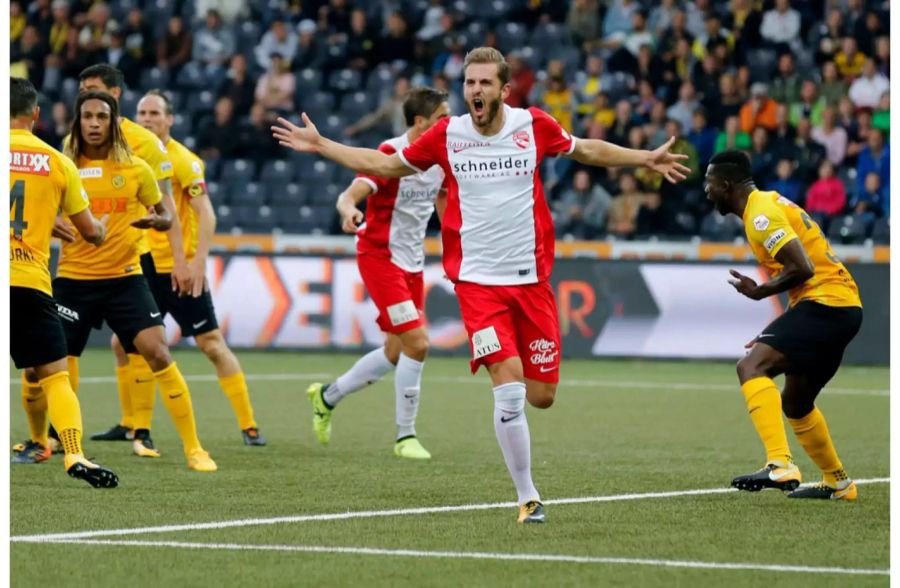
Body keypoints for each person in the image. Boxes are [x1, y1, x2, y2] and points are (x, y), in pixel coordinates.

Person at [272, 47, 690, 523]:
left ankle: (339, 397)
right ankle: (527, 496)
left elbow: (587, 149)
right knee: (507, 388)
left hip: (532, 283)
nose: (475, 91)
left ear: (504, 90)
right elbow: (384, 164)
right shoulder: (447, 135)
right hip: (476, 285)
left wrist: (644, 159)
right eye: (469, 83)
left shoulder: (532, 125)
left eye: (485, 83)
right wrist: (323, 144)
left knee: (542, 396)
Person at [56, 90, 217, 472]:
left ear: (115, 124)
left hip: (124, 278)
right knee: (53, 365)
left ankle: (195, 448)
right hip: (74, 279)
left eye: (102, 117)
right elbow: (39, 210)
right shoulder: (62, 166)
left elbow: (165, 215)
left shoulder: (137, 168)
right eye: (88, 117)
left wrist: (155, 221)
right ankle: (63, 446)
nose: (94, 123)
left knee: (158, 352)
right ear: (77, 123)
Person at [704, 150, 862, 501]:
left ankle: (780, 463)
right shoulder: (764, 206)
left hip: (827, 304)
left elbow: (802, 268)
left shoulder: (760, 215)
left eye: (709, 183)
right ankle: (839, 483)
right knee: (796, 403)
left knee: (751, 366)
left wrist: (760, 292)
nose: (706, 191)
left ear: (726, 185)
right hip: (838, 307)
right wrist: (780, 325)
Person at [306, 87, 450, 460]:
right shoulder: (390, 153)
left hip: (413, 264)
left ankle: (326, 397)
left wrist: (455, 245)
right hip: (379, 257)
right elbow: (352, 192)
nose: (449, 124)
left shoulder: (443, 156)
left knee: (394, 350)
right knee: (418, 344)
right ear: (420, 123)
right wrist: (348, 209)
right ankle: (405, 436)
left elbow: (444, 197)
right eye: (442, 118)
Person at [133, 89, 266, 451]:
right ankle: (138, 430)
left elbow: (206, 213)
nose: (146, 119)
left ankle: (249, 424)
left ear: (170, 119)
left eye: (154, 113)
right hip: (139, 266)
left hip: (178, 269)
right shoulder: (129, 157)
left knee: (211, 344)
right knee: (132, 344)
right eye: (142, 112)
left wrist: (196, 263)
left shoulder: (183, 160)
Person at [71, 64, 196, 443]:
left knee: (149, 344)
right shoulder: (71, 144)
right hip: (81, 264)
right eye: (82, 95)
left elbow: (166, 211)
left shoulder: (144, 145)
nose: (87, 101)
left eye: (93, 91)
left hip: (134, 257)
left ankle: (143, 428)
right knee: (101, 346)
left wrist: (179, 261)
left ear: (114, 95)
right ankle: (125, 425)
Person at [9, 77, 117, 488]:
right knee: (55, 377)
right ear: (35, 115)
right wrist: (102, 228)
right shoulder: (58, 162)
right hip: (29, 283)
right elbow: (90, 232)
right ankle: (73, 453)